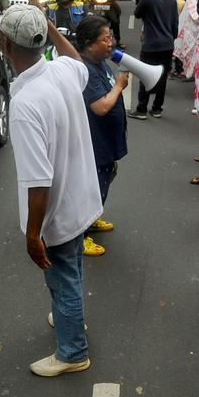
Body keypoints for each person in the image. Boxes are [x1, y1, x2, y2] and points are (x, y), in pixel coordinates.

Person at [0, 0, 102, 377]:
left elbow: (37, 181)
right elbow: (76, 59)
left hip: (56, 211)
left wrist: (32, 234)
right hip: (79, 199)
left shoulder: (25, 103)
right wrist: (47, 24)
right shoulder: (61, 71)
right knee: (70, 269)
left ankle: (73, 352)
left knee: (63, 279)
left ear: (7, 46)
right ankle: (68, 318)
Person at [75, 17, 129, 258]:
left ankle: (92, 217)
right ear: (89, 43)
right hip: (94, 144)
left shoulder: (99, 62)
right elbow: (100, 107)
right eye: (105, 39)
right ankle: (80, 235)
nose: (111, 43)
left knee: (104, 181)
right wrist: (118, 86)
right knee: (91, 187)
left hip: (105, 141)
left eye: (111, 37)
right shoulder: (86, 70)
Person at [129, 0, 178, 120]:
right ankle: (157, 108)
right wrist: (172, 38)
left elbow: (137, 14)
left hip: (151, 44)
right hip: (168, 43)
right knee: (162, 76)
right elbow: (175, 21)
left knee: (145, 75)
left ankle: (142, 109)